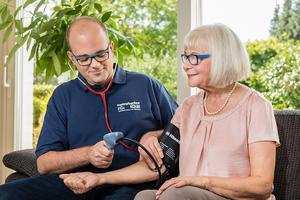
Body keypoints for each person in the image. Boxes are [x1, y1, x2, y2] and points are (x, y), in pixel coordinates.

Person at [58, 23, 280, 200]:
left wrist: (198, 180)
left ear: (222, 58)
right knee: (145, 196)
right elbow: (156, 168)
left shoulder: (256, 106)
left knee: (173, 194)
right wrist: (99, 179)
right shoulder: (189, 108)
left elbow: (261, 185)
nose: (185, 65)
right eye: (185, 57)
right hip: (188, 194)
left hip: (234, 197)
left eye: (194, 57)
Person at [0, 16, 177, 200]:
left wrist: (153, 135)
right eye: (84, 59)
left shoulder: (145, 85)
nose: (95, 65)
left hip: (133, 183)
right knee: (6, 194)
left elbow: (184, 129)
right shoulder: (63, 95)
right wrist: (88, 154)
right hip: (77, 182)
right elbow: (44, 164)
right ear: (72, 58)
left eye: (101, 54)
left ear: (111, 48)